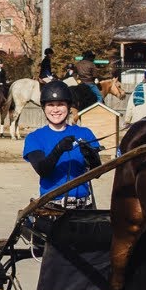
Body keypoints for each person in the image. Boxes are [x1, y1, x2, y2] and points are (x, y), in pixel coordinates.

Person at [23, 81, 102, 209]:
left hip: (84, 207)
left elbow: (97, 173)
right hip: (52, 208)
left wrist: (92, 158)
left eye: (60, 104)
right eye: (50, 105)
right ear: (44, 108)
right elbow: (43, 170)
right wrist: (58, 149)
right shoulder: (34, 138)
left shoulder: (85, 133)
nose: (55, 110)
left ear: (68, 106)